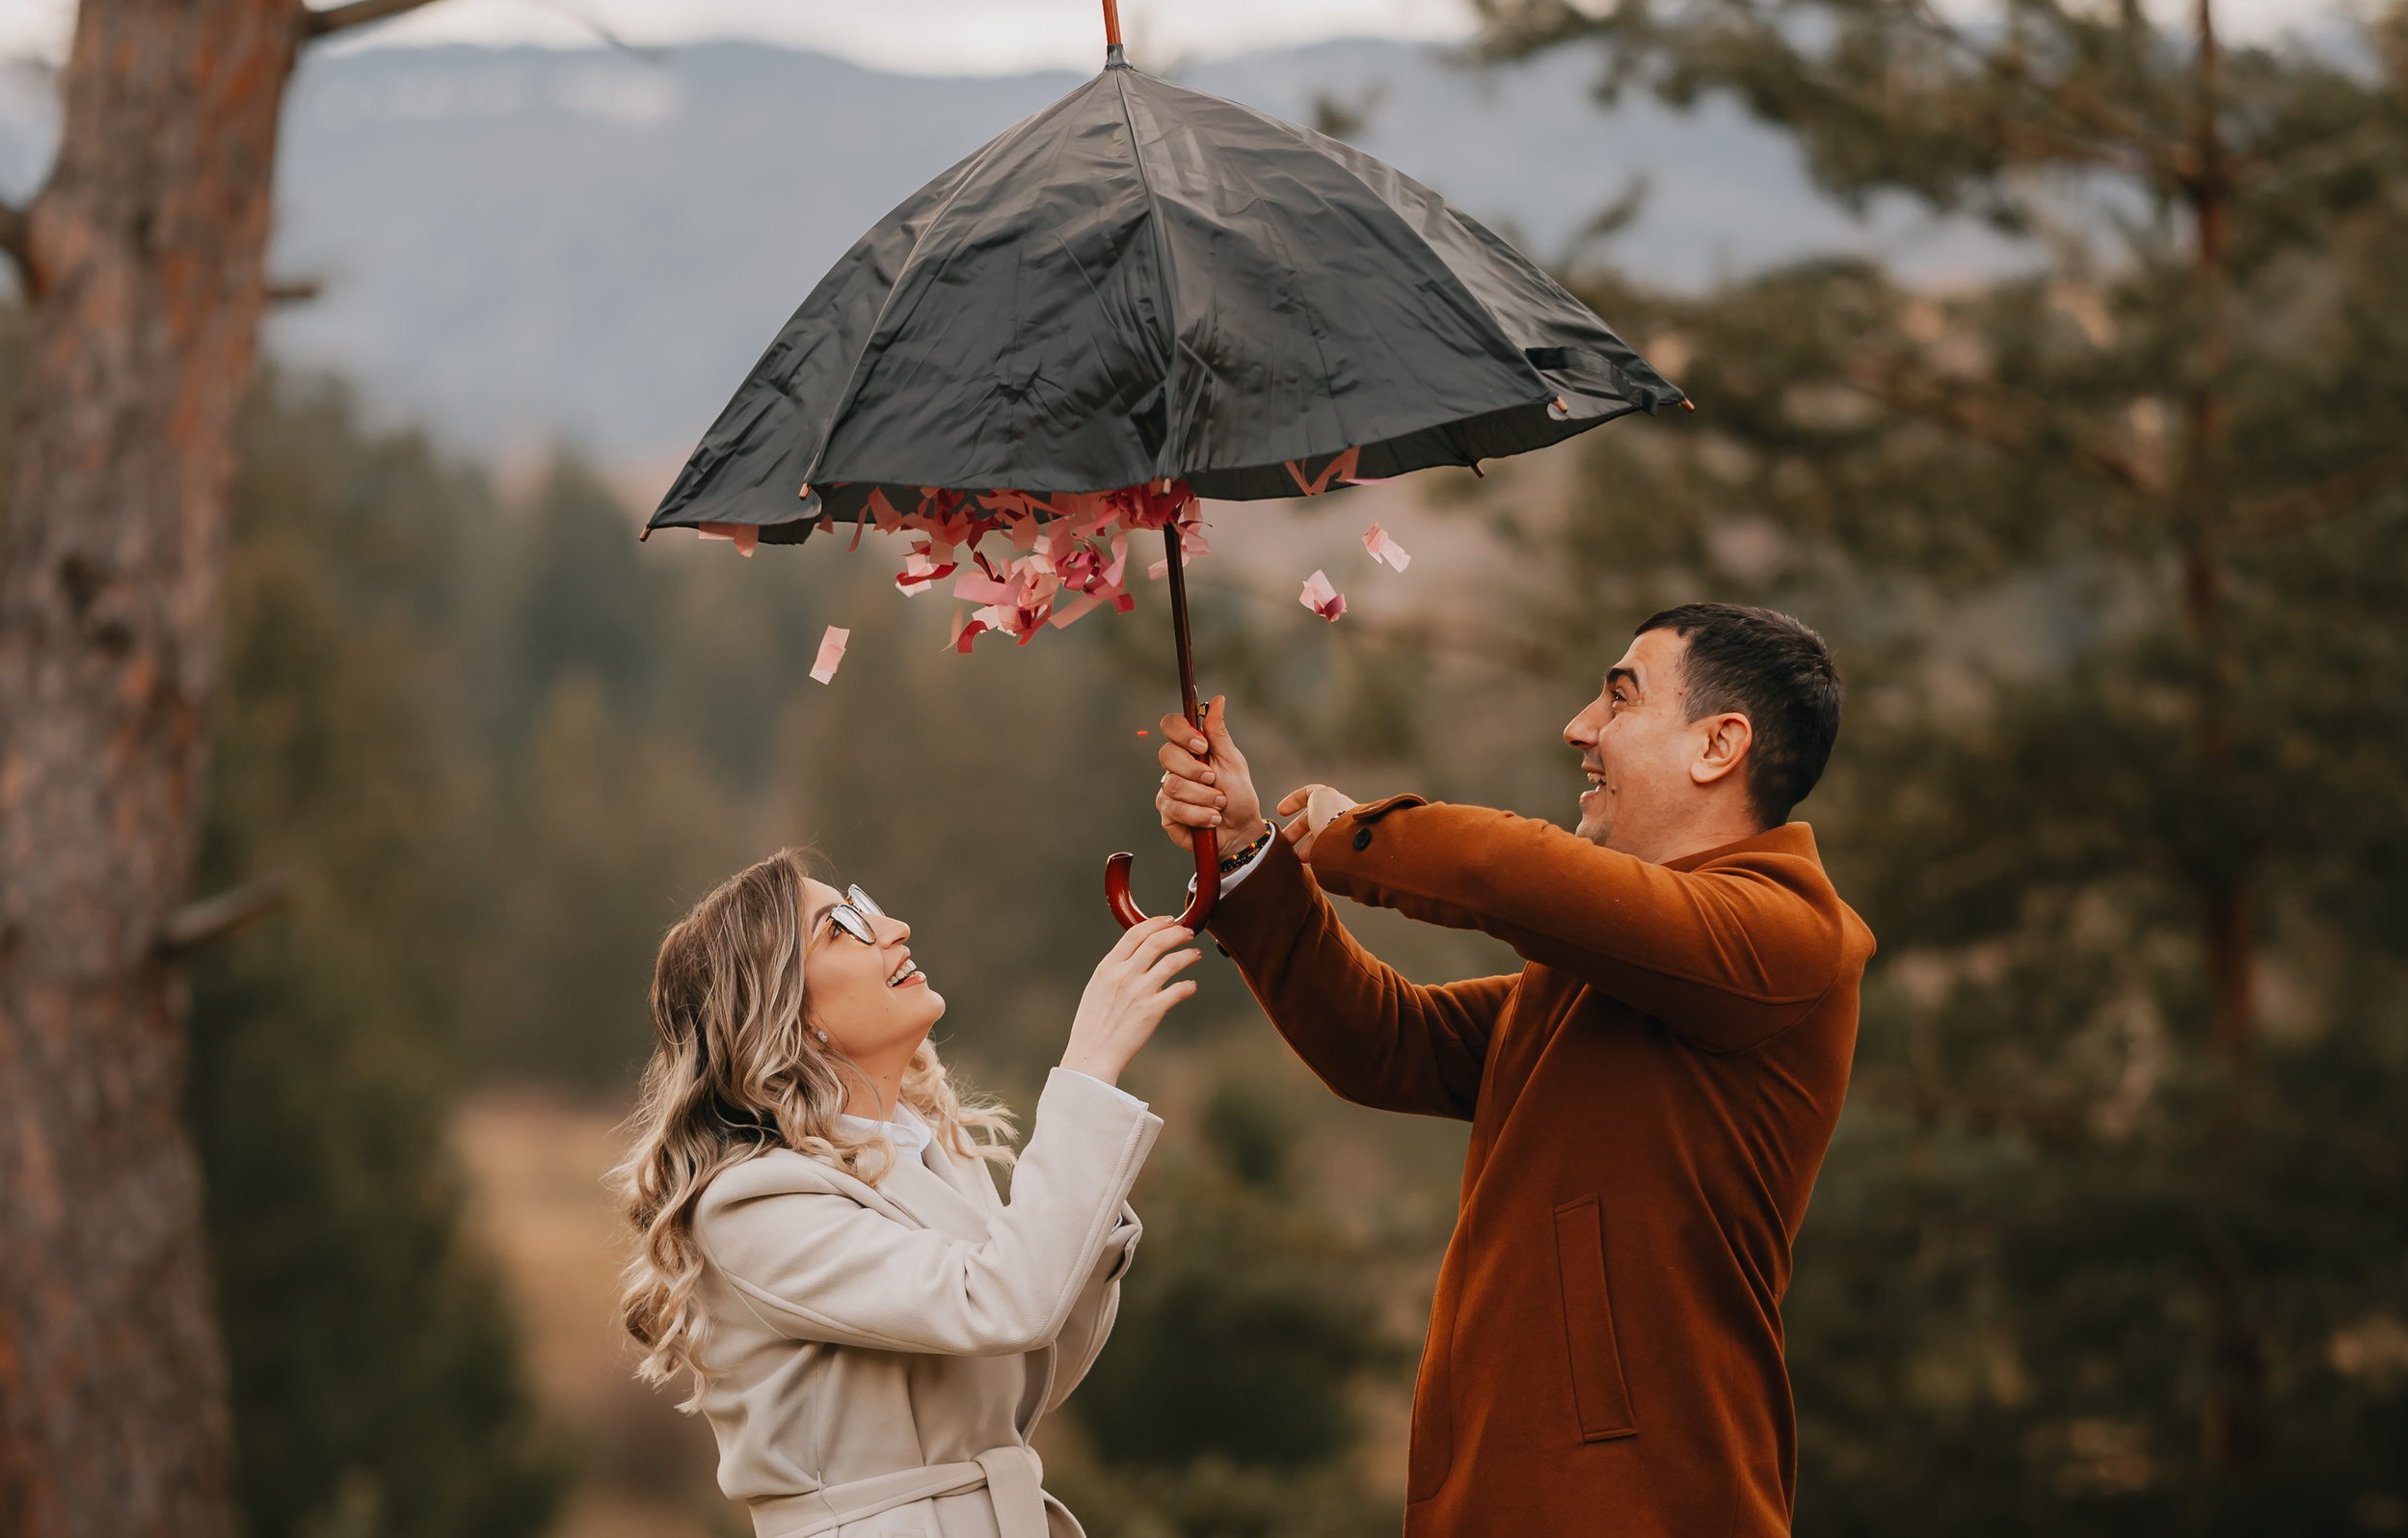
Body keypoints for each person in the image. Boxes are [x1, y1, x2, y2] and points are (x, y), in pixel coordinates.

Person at [1154, 602, 1874, 1538]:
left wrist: (1351, 833)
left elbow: (1513, 872)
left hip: (1642, 1507)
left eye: (1618, 700)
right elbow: (1386, 1042)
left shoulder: (1790, 939)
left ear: (1718, 746)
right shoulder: (1588, 981)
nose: (1579, 726)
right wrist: (1253, 851)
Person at [615, 851, 1200, 1538]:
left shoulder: (927, 1152)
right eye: (841, 927)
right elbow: (1004, 1303)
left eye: (866, 906)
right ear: (787, 1016)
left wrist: (1085, 1208)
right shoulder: (752, 1204)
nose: (893, 927)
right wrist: (1088, 1071)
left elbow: (1018, 1366)